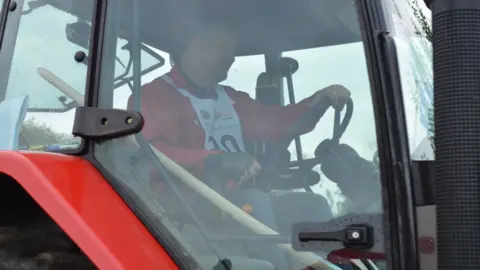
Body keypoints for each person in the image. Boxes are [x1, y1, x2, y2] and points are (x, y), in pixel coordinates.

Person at [127, 20, 351, 270]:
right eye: (222, 47)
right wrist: (214, 160)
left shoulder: (231, 98)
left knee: (312, 205)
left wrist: (318, 101)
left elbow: (276, 122)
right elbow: (150, 155)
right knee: (254, 201)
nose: (231, 57)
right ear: (191, 46)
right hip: (181, 207)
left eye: (232, 49)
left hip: (230, 202)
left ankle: (330, 266)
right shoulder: (153, 96)